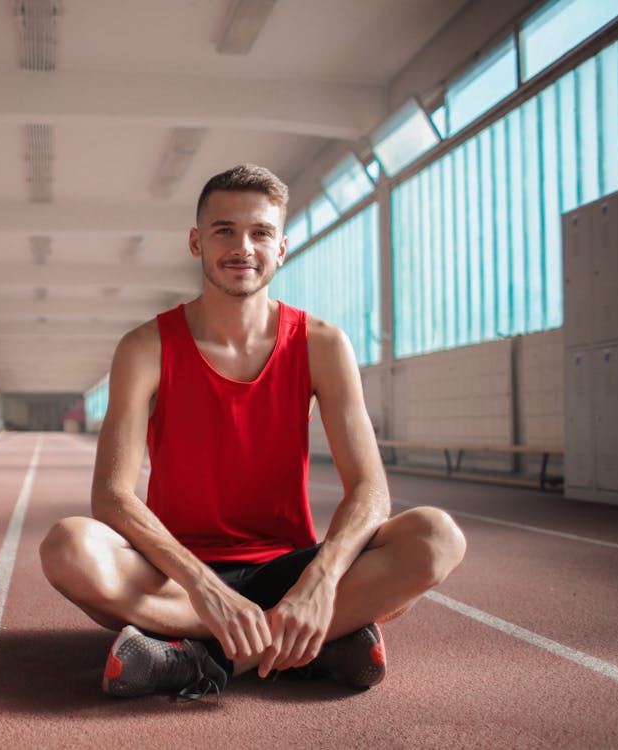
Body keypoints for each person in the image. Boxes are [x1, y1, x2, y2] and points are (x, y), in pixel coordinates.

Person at [39, 164, 466, 700]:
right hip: (176, 575)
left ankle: (200, 656)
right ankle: (307, 646)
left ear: (281, 247)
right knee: (68, 547)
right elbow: (112, 495)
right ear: (196, 242)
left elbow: (371, 489)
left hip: (286, 570)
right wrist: (204, 587)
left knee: (437, 537)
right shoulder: (145, 348)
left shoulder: (322, 344)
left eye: (260, 232)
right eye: (224, 230)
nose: (243, 247)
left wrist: (320, 581)